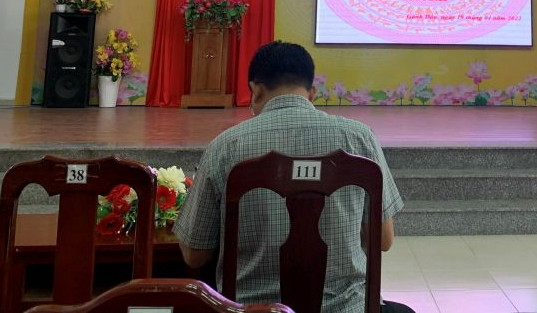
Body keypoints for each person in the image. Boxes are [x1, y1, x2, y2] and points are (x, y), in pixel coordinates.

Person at [174, 41, 413, 313]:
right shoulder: (360, 138)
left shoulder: (226, 147)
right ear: (311, 93)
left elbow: (194, 255)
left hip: (254, 310)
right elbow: (383, 240)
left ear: (256, 90)